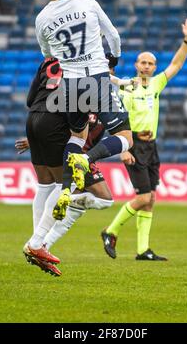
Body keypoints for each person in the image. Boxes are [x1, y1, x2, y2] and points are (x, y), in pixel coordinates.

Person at [35, 0, 133, 220]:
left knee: (77, 137)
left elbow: (48, 57)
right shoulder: (88, 3)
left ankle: (67, 189)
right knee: (125, 137)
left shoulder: (43, 18)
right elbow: (113, 36)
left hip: (70, 85)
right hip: (97, 78)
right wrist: (113, 60)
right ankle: (87, 161)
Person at [17, 58, 132, 276]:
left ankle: (39, 242)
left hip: (35, 120)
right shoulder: (94, 84)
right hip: (70, 143)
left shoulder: (52, 62)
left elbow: (31, 98)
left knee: (46, 185)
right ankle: (37, 243)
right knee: (75, 191)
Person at [101, 17, 187, 261]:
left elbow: (176, 64)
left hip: (151, 146)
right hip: (134, 145)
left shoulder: (156, 84)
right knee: (142, 197)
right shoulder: (126, 86)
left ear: (154, 68)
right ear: (135, 65)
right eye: (142, 62)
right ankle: (110, 231)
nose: (146, 66)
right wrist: (123, 147)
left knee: (151, 198)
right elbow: (115, 113)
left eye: (150, 63)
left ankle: (143, 250)